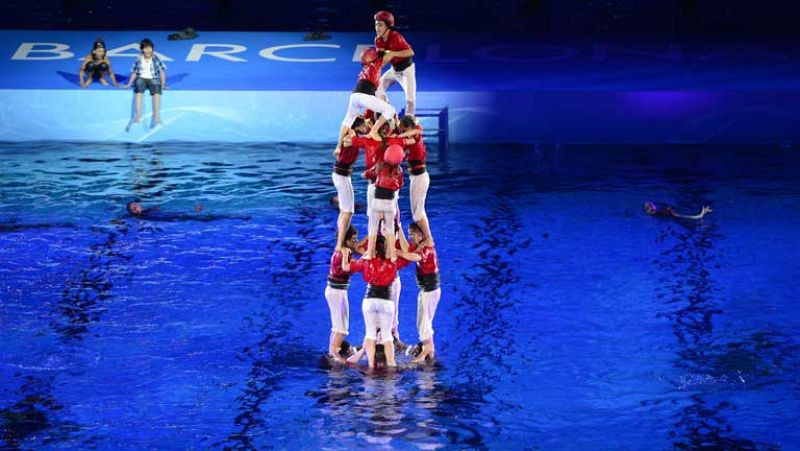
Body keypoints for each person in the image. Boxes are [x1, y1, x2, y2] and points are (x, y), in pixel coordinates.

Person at [343, 234, 420, 370]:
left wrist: (344, 252)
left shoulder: (367, 261)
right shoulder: (393, 262)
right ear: (386, 248)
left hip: (370, 299)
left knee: (370, 334)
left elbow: (348, 267)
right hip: (386, 300)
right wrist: (397, 249)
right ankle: (391, 364)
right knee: (386, 335)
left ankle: (371, 366)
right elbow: (408, 258)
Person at [337, 47, 396, 150]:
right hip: (365, 95)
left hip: (355, 95)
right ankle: (373, 131)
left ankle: (338, 146)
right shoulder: (375, 64)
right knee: (390, 110)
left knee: (348, 120)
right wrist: (383, 51)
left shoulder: (364, 69)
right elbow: (390, 54)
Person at [332, 116, 369, 251]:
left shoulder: (355, 135)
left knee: (345, 211)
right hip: (342, 175)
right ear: (358, 126)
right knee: (348, 212)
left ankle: (340, 241)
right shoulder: (352, 134)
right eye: (364, 126)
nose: (366, 128)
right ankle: (340, 244)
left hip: (342, 174)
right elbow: (348, 137)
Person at [405, 221, 441, 364]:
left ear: (420, 235)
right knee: (422, 323)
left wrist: (398, 252)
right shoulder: (420, 245)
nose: (410, 238)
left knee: (424, 323)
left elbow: (416, 257)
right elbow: (409, 250)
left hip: (430, 291)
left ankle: (427, 350)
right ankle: (429, 351)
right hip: (426, 290)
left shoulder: (427, 248)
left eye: (411, 235)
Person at [325, 225, 361, 363]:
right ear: (345, 240)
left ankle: (331, 352)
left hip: (336, 291)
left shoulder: (343, 251)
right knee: (342, 329)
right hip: (337, 292)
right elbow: (351, 267)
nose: (355, 242)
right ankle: (335, 355)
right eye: (353, 239)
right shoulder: (344, 252)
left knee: (337, 325)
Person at [363, 144, 405, 261]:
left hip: (378, 202)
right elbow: (400, 185)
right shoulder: (399, 170)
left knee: (373, 227)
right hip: (390, 203)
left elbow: (368, 174)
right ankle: (392, 255)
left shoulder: (379, 166)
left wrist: (367, 175)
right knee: (390, 229)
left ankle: (370, 253)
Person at [397, 115, 434, 243]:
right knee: (416, 213)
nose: (401, 132)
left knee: (418, 214)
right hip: (415, 178)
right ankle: (424, 238)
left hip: (420, 177)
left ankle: (429, 239)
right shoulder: (409, 140)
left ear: (409, 128)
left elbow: (416, 130)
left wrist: (398, 136)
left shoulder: (416, 135)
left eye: (403, 129)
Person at [374, 10, 417, 116]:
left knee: (410, 100)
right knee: (376, 88)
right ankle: (389, 112)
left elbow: (410, 52)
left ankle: (409, 120)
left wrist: (393, 53)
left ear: (388, 26)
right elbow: (382, 59)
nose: (377, 28)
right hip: (394, 70)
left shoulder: (396, 36)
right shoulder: (378, 40)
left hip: (407, 71)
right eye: (376, 25)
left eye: (380, 25)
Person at [123, 38, 167, 126]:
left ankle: (156, 115)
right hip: (141, 78)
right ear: (142, 49)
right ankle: (138, 115)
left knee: (157, 93)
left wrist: (163, 84)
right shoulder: (139, 58)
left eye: (150, 48)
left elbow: (162, 71)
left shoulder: (156, 58)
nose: (148, 50)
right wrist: (129, 84)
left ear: (152, 49)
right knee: (138, 92)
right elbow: (135, 72)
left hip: (153, 78)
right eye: (146, 48)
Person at [125, 201, 250, 222]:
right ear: (132, 212)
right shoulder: (138, 217)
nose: (137, 208)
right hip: (173, 219)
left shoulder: (148, 211)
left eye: (136, 205)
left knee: (208, 216)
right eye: (134, 208)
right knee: (207, 218)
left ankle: (237, 217)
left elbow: (159, 209)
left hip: (176, 215)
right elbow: (123, 218)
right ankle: (237, 218)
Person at [643, 202, 712, 219]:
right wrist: (669, 211)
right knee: (684, 216)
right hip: (669, 214)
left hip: (668, 212)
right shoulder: (653, 211)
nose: (654, 205)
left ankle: (701, 214)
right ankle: (700, 215)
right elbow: (659, 212)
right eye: (652, 205)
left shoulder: (652, 211)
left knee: (683, 216)